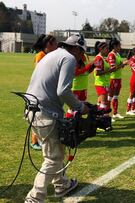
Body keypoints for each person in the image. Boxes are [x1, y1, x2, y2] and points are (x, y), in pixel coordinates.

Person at [24, 35, 89, 202]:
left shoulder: (51, 54)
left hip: (32, 109)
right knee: (53, 158)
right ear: (76, 48)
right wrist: (81, 107)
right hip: (46, 112)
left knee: (55, 150)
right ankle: (35, 197)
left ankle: (61, 184)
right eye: (82, 53)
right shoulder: (68, 59)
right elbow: (63, 91)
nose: (82, 57)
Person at [31, 34, 58, 150]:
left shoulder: (47, 55)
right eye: (55, 43)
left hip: (46, 88)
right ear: (48, 44)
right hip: (40, 88)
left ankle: (38, 140)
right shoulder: (40, 55)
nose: (57, 46)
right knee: (38, 115)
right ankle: (34, 141)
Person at [65, 53, 94, 118]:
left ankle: (77, 124)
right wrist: (88, 67)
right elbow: (76, 73)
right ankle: (67, 122)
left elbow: (86, 72)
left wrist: (92, 67)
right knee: (72, 107)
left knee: (81, 107)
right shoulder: (75, 57)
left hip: (84, 86)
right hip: (75, 87)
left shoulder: (86, 56)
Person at [107, 38, 127, 121]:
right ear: (115, 46)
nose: (120, 47)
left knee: (116, 96)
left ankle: (115, 113)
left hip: (118, 78)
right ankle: (106, 115)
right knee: (109, 97)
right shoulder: (111, 55)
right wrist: (122, 64)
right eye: (119, 45)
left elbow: (119, 66)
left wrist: (123, 64)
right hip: (113, 78)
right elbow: (113, 68)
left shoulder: (118, 54)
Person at [93, 41, 111, 113]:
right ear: (101, 49)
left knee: (101, 103)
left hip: (104, 83)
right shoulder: (98, 58)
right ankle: (102, 119)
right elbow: (97, 72)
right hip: (100, 83)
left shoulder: (102, 58)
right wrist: (109, 70)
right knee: (103, 103)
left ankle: (98, 119)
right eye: (106, 48)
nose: (108, 50)